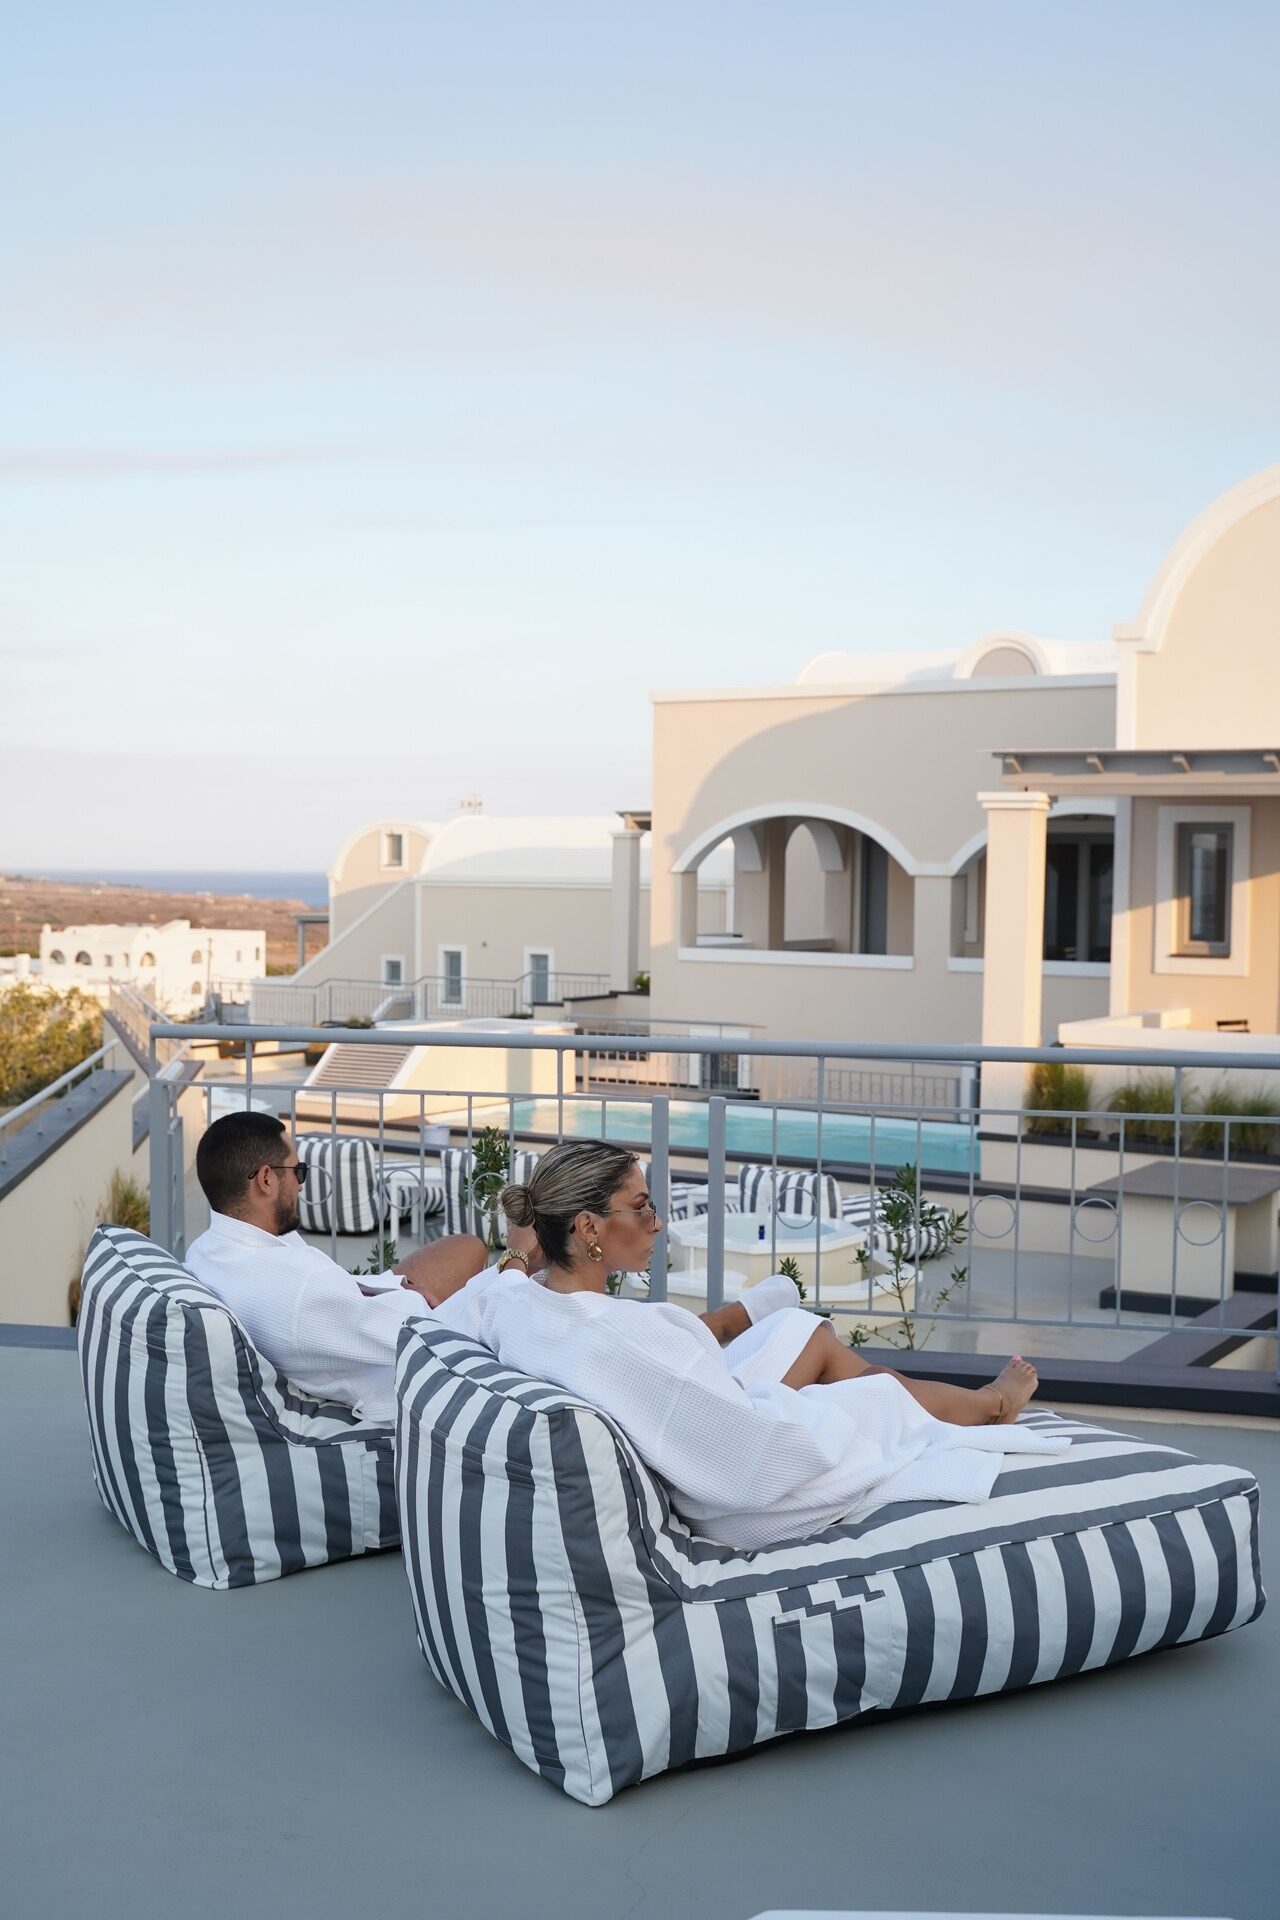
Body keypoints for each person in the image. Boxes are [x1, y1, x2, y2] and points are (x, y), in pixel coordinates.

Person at [477, 1140, 1070, 1551]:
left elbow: (506, 1277)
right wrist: (829, 1413)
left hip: (693, 1422)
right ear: (586, 1228)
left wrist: (517, 1253)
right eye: (641, 1207)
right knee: (878, 1392)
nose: (657, 1221)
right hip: (735, 1496)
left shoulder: (519, 1300)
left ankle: (952, 1397)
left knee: (802, 1332)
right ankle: (992, 1405)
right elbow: (753, 1457)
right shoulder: (624, 1337)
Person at [182, 1112, 781, 1425]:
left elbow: (357, 1308)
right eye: (297, 1172)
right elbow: (424, 1341)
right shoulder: (295, 1295)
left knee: (471, 1248)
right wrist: (516, 1264)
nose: (301, 1183)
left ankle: (712, 1324)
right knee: (530, 1289)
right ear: (265, 1180)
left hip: (377, 1309)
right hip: (422, 1353)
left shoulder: (218, 1251)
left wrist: (389, 1289)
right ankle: (719, 1326)